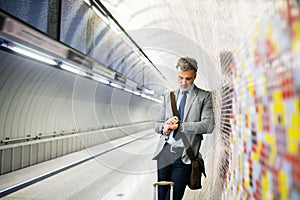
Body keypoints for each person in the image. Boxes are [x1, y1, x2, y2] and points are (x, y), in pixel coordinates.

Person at [153, 57, 215, 200]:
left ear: (195, 76)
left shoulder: (204, 97)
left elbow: (208, 126)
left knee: (174, 196)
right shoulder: (169, 96)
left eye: (188, 78)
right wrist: (165, 126)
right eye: (180, 77)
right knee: (161, 195)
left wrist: (180, 126)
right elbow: (156, 125)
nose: (183, 82)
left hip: (185, 156)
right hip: (165, 152)